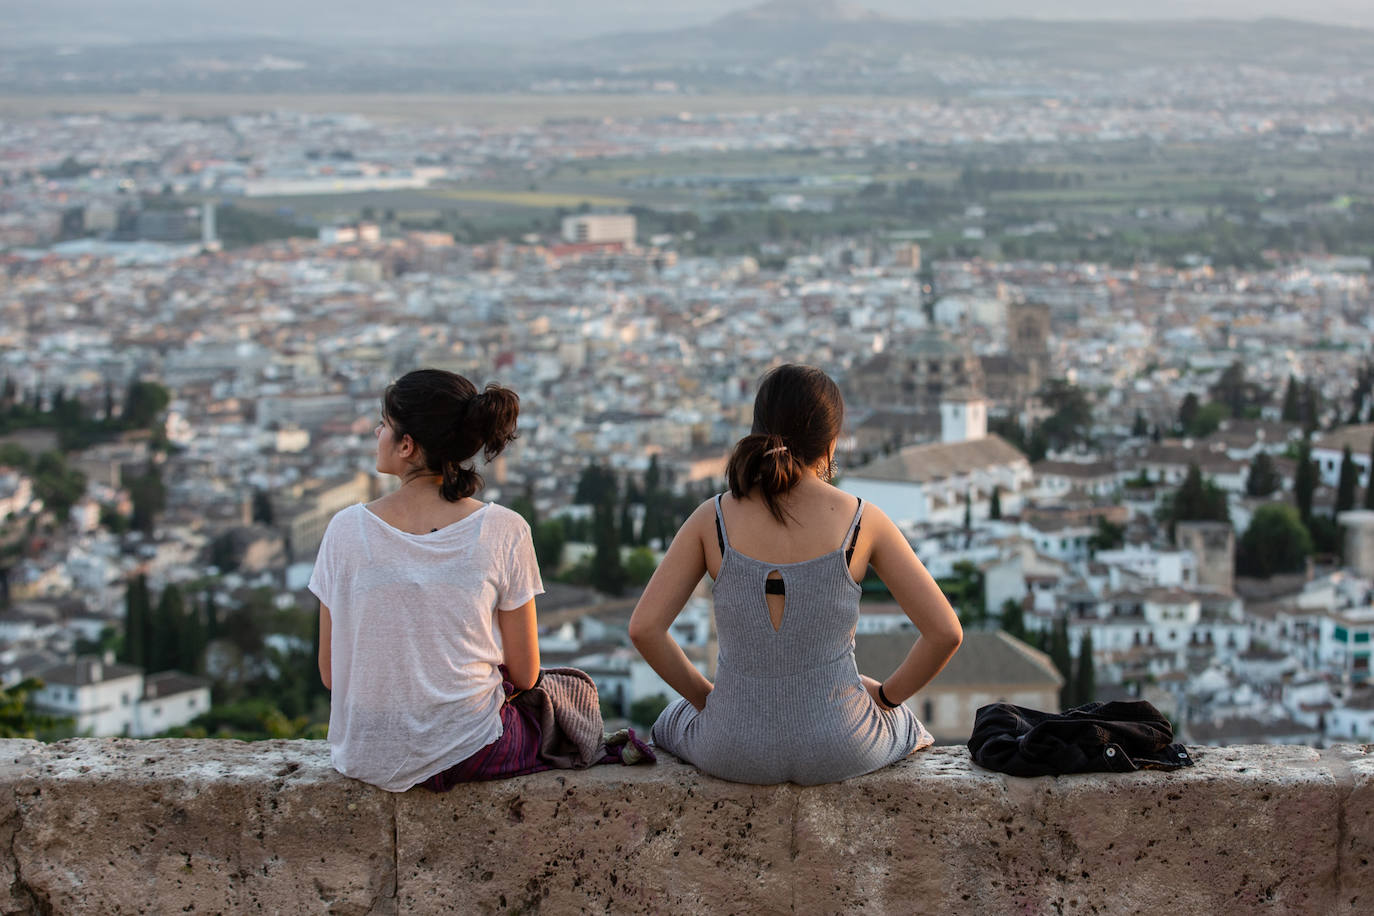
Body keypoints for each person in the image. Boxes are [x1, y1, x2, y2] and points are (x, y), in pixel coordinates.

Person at [629, 364, 963, 785]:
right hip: (843, 743)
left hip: (731, 747)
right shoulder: (862, 520)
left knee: (667, 722)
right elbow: (945, 633)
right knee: (909, 726)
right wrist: (884, 695)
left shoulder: (711, 518)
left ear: (757, 429)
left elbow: (644, 628)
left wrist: (709, 699)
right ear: (831, 441)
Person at [310, 368, 547, 791]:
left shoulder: (344, 530)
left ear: (406, 445)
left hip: (366, 753)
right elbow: (527, 674)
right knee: (564, 698)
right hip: (473, 751)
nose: (377, 432)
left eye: (384, 424)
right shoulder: (505, 529)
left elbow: (331, 673)